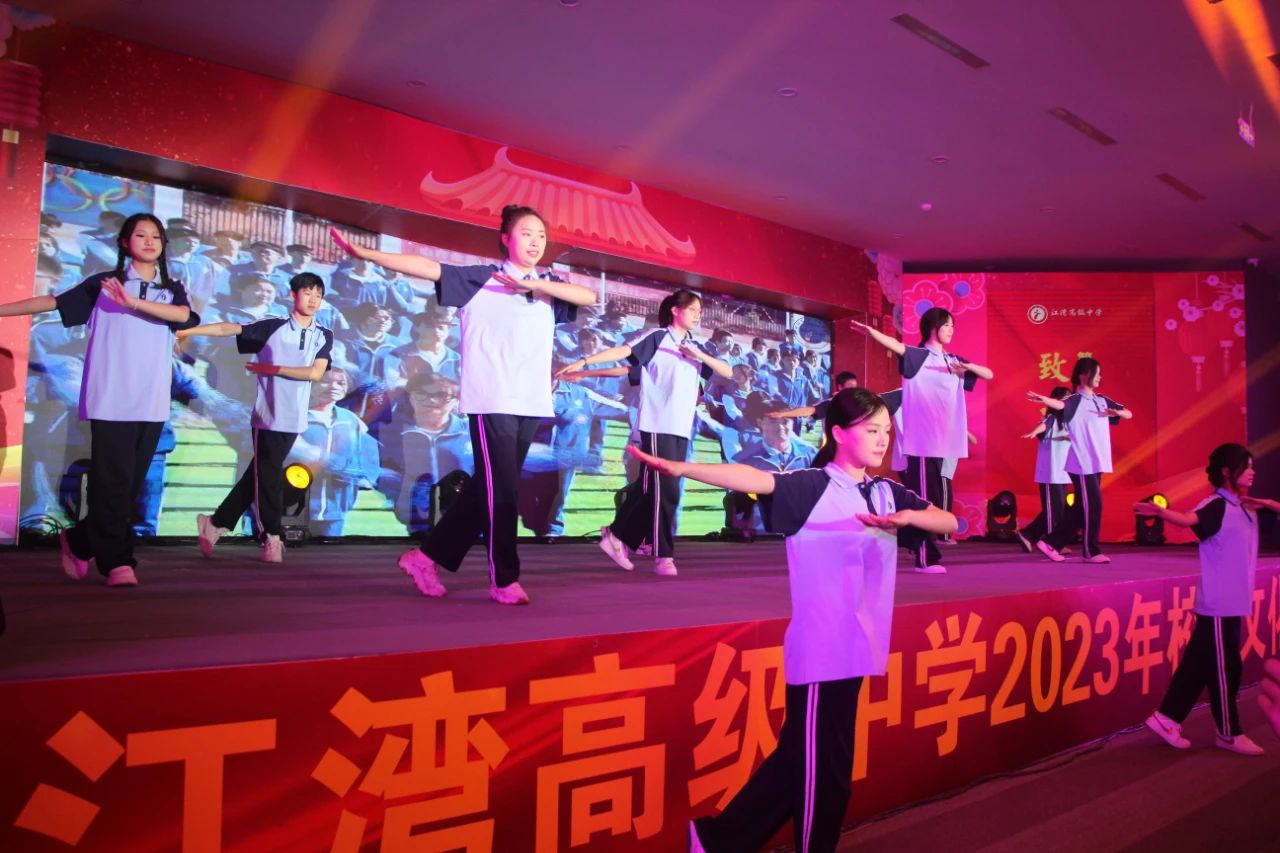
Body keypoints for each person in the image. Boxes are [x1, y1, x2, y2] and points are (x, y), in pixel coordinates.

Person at [632, 388, 957, 853]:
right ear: (839, 433)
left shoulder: (886, 493)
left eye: (886, 431)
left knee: (799, 761)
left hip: (859, 648)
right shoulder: (813, 486)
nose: (883, 439)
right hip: (823, 651)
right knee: (824, 776)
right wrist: (682, 468)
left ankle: (715, 840)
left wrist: (908, 517)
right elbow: (754, 478)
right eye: (871, 430)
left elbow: (950, 522)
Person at [330, 204, 595, 604]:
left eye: (541, 235)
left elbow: (588, 296)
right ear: (506, 239)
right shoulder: (480, 279)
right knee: (502, 492)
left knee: (487, 489)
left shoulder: (548, 288)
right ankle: (504, 579)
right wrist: (368, 254)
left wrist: (533, 285)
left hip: (531, 402)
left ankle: (425, 558)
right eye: (526, 233)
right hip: (492, 399)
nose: (535, 242)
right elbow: (426, 267)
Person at [0, 213, 198, 586]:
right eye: (140, 235)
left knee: (129, 486)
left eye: (156, 236)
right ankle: (117, 562)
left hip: (152, 400)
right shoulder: (104, 284)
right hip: (111, 397)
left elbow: (185, 316)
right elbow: (52, 302)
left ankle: (79, 540)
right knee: (113, 482)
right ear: (124, 242)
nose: (149, 241)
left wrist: (133, 302)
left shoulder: (171, 289)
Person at [562, 290, 732, 576]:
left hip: (681, 429)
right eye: (693, 309)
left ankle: (617, 535)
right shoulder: (658, 338)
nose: (698, 315)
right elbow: (623, 357)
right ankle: (663, 555)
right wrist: (585, 365)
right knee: (666, 491)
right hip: (657, 425)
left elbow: (726, 372)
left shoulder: (694, 347)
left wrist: (698, 354)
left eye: (700, 310)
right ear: (675, 310)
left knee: (651, 489)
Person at [179, 273, 334, 562]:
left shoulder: (323, 335)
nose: (313, 300)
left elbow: (315, 373)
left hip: (296, 417)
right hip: (269, 415)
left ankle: (216, 523)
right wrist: (190, 331)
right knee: (268, 475)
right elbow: (228, 328)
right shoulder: (273, 327)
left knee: (259, 473)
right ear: (293, 296)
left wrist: (274, 370)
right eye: (307, 293)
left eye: (318, 295)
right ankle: (272, 536)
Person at [1139, 443, 1276, 756]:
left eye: (1252, 465)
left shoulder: (1247, 508)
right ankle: (1228, 733)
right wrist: (1162, 513)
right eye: (1246, 466)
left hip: (1233, 602)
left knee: (1198, 664)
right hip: (1219, 605)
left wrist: (1268, 503)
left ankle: (1166, 718)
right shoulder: (1216, 505)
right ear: (1227, 471)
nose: (1252, 471)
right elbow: (1189, 519)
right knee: (1226, 670)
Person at [851, 309, 993, 574]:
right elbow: (896, 346)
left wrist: (968, 367)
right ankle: (926, 558)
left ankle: (898, 541)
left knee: (932, 500)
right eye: (947, 325)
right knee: (926, 500)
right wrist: (872, 332)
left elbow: (988, 374)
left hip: (942, 444)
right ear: (933, 328)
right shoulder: (919, 356)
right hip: (923, 444)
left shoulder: (952, 360)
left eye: (953, 325)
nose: (951, 330)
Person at [1029, 357, 1132, 563]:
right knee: (1094, 506)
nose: (1100, 377)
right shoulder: (1075, 400)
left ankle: (1050, 543)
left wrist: (1118, 412)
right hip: (1081, 463)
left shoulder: (1101, 400)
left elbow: (1129, 413)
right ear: (1083, 375)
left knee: (1079, 508)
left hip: (1097, 462)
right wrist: (1044, 399)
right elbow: (1059, 404)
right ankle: (1091, 551)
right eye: (1097, 373)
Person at [1015, 387, 1072, 553]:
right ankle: (1051, 543)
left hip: (1063, 473)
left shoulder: (1069, 421)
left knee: (1058, 510)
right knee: (1053, 511)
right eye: (1064, 398)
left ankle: (1028, 534)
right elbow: (1043, 425)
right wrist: (1033, 432)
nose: (1067, 402)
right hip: (1050, 473)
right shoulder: (1051, 417)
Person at [769, 370, 858, 422]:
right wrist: (783, 414)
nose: (854, 389)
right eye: (850, 386)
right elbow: (810, 410)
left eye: (855, 386)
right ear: (840, 387)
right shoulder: (833, 403)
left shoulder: (859, 402)